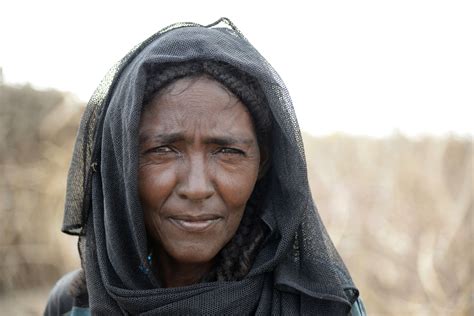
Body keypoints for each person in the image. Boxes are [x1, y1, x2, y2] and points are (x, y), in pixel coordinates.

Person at [45, 18, 366, 315]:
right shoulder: (74, 305)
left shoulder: (319, 305)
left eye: (227, 151)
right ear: (122, 166)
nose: (197, 188)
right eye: (163, 149)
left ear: (263, 165)